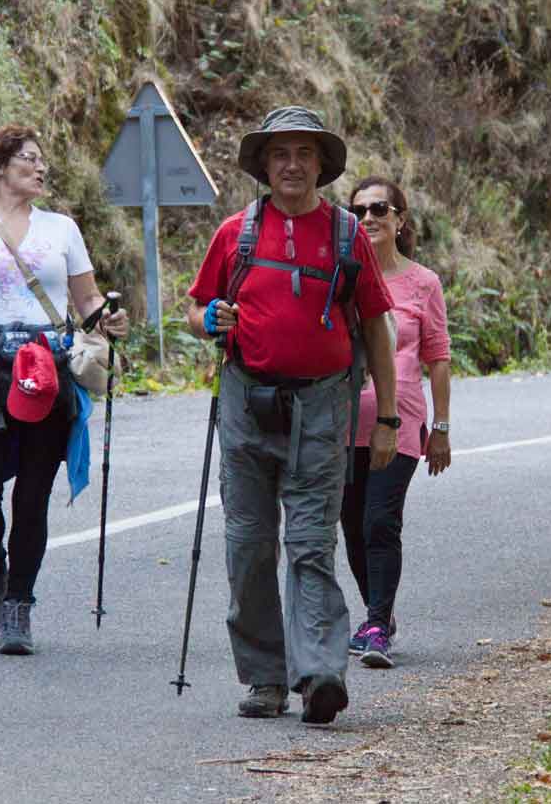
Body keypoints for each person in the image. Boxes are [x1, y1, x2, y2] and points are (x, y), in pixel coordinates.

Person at [186, 106, 398, 724]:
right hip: (246, 404)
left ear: (321, 165)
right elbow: (195, 311)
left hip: (324, 406)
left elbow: (376, 329)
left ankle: (320, 674)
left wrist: (387, 418)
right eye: (281, 153)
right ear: (264, 164)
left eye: (304, 154)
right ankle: (264, 678)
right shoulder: (237, 233)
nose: (293, 165)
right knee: (249, 546)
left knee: (310, 545)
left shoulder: (345, 235)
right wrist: (210, 320)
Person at [0, 124, 128, 656]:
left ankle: (18, 605)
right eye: (28, 159)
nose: (40, 168)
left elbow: (87, 304)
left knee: (32, 497)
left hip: (50, 374)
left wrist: (108, 320)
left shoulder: (61, 229)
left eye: (42, 161)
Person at [339, 178, 452, 670]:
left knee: (380, 521)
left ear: (400, 219)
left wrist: (442, 428)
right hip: (343, 422)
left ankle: (378, 625)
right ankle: (375, 613)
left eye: (379, 208)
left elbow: (438, 357)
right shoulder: (342, 278)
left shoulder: (422, 283)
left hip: (400, 420)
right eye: (359, 210)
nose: (369, 218)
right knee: (350, 525)